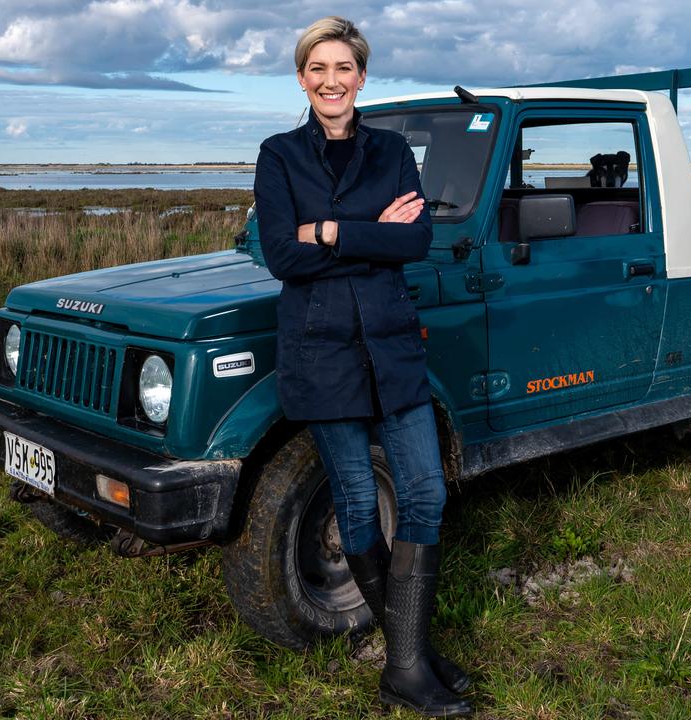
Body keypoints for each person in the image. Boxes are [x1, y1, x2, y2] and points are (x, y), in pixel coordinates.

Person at [252, 16, 473, 718]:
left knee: (425, 494)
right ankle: (408, 662)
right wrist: (370, 234)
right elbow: (281, 255)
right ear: (301, 79)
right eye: (317, 68)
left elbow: (416, 240)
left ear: (361, 77)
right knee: (354, 499)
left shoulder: (390, 151)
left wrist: (332, 230)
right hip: (320, 348)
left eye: (342, 67)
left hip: (389, 340)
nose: (331, 81)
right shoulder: (279, 154)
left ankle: (407, 659)